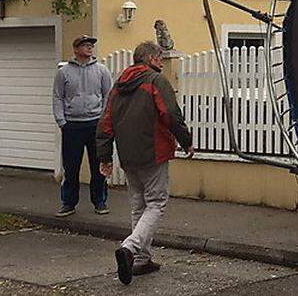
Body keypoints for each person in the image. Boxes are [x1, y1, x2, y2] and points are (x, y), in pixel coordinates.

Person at [96, 40, 194, 284]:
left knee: (138, 206)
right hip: (153, 150)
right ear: (150, 59)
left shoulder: (119, 85)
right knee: (156, 203)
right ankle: (130, 248)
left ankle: (141, 260)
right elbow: (170, 114)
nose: (162, 61)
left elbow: (106, 121)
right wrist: (186, 140)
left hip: (128, 154)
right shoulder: (155, 81)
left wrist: (105, 156)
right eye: (159, 57)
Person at [52, 35, 112, 217]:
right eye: (85, 45)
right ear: (76, 49)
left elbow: (108, 96)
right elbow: (57, 97)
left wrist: (103, 120)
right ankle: (68, 203)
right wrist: (62, 121)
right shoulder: (64, 72)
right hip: (72, 125)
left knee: (98, 165)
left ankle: (100, 201)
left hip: (95, 125)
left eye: (91, 45)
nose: (89, 48)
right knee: (71, 167)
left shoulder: (102, 71)